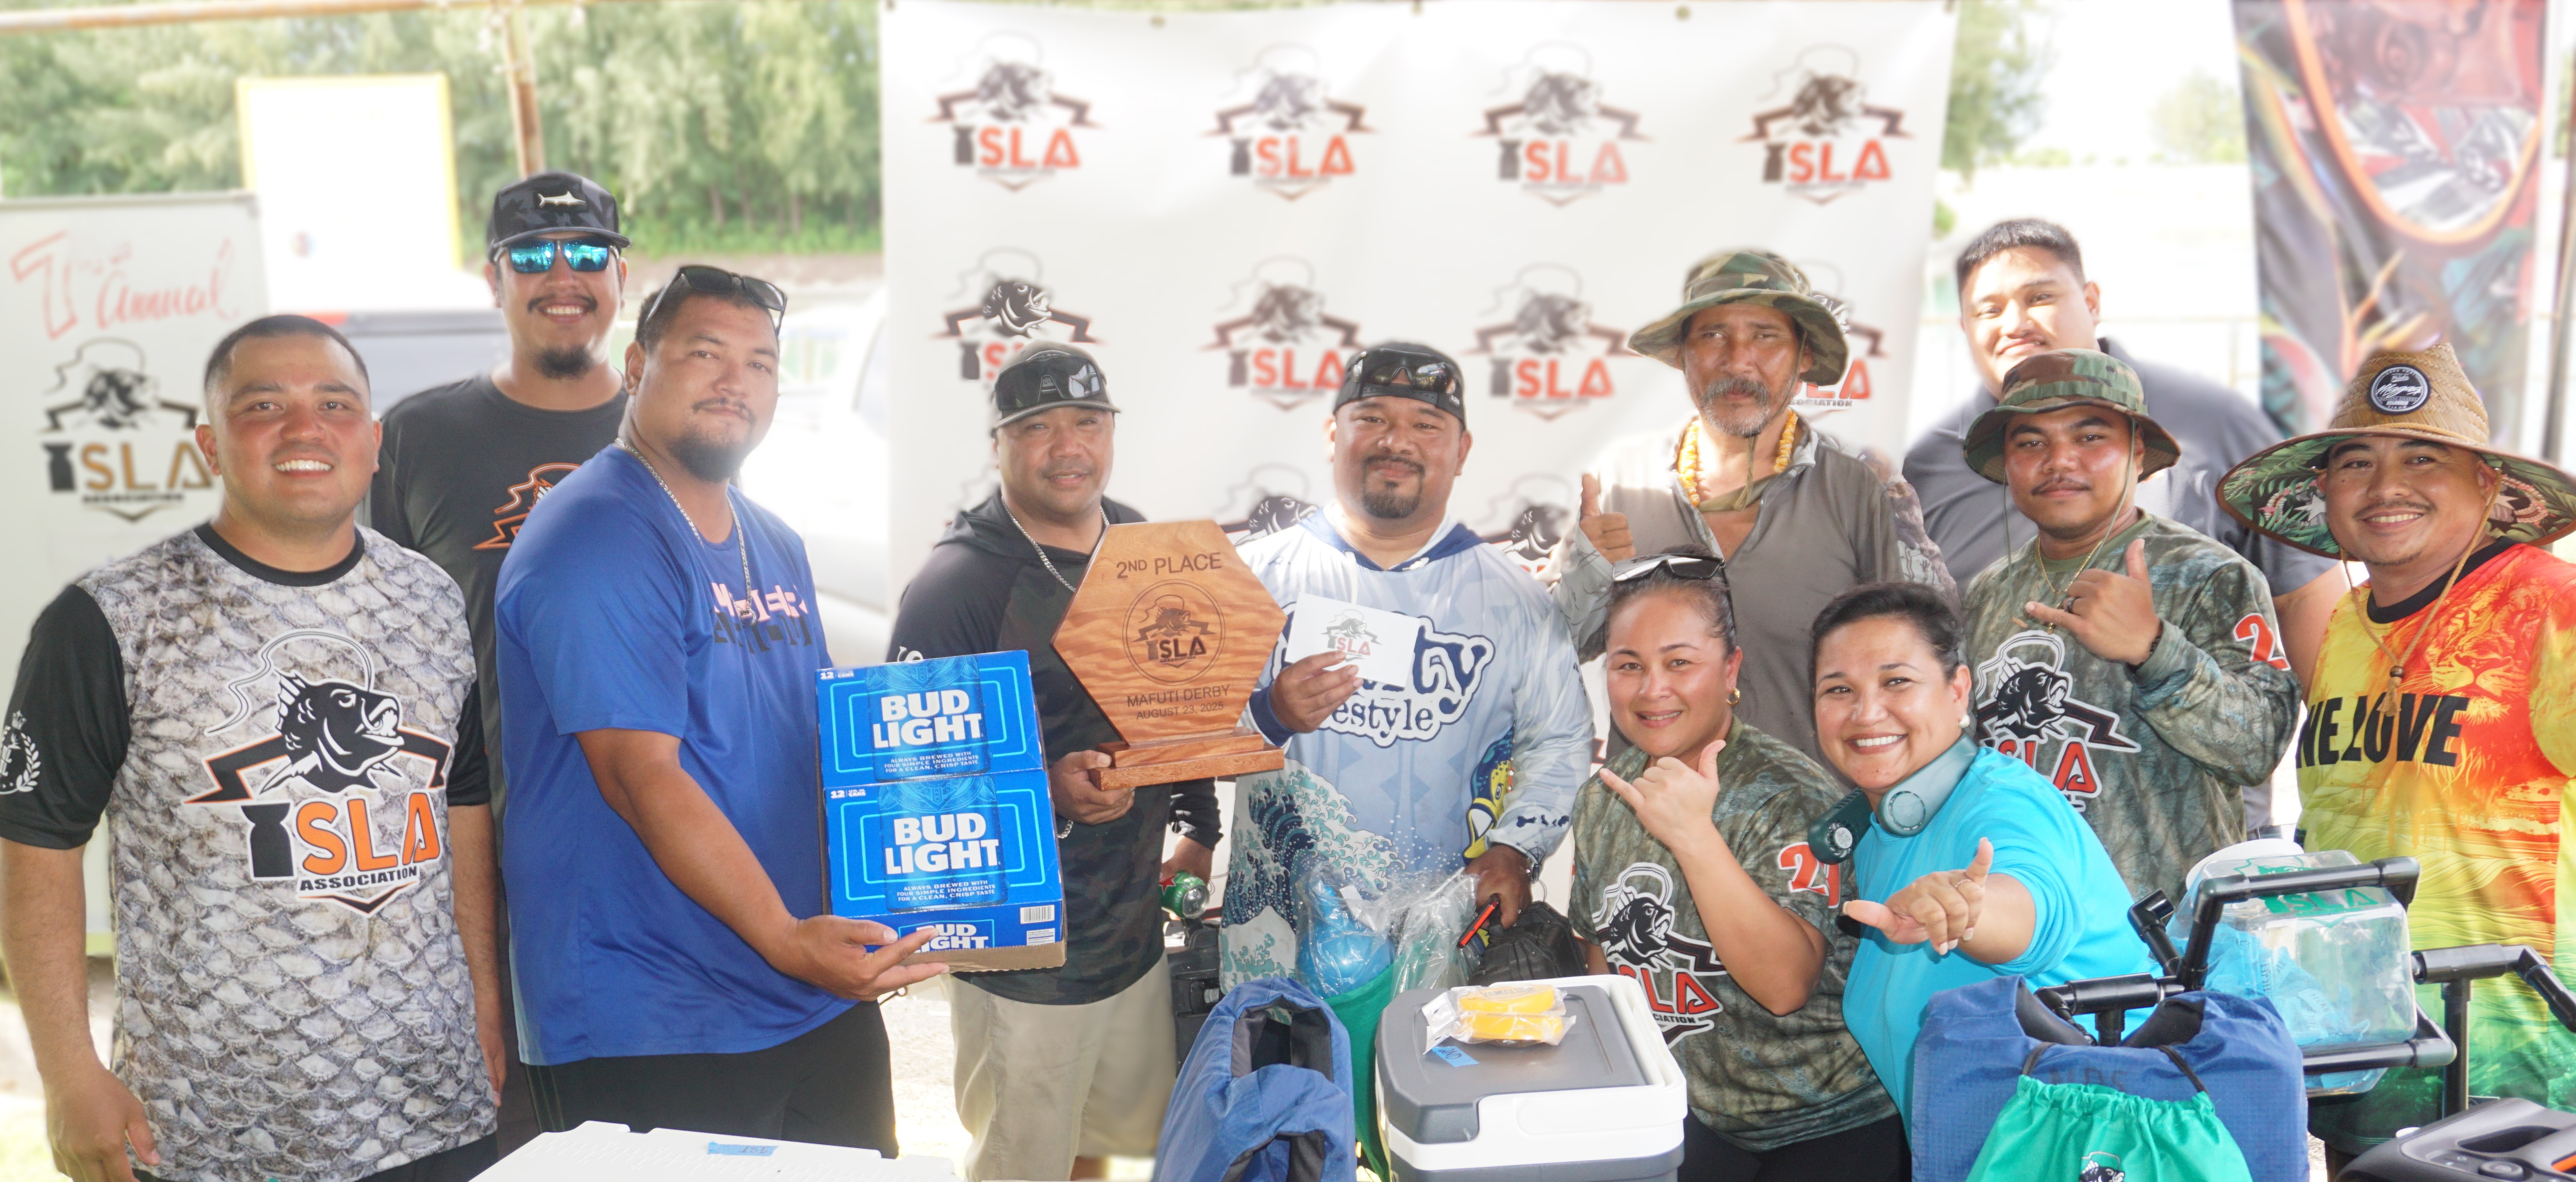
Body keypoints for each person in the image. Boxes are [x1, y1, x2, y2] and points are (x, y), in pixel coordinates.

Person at [0, 315, 501, 1182]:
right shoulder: (110, 617)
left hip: (434, 1114)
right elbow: (35, 842)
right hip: (208, 1135)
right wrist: (67, 1070)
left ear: (373, 442)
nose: (306, 428)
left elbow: (461, 806)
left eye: (335, 404)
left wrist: (486, 1007)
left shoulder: (429, 597)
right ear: (209, 442)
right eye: (264, 404)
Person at [494, 267, 942, 1148]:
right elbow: (637, 774)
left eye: (761, 363)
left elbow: (811, 749)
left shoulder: (771, 538)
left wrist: (1010, 804)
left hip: (805, 987)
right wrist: (782, 935)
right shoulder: (596, 533)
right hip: (658, 1011)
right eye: (705, 353)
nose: (736, 380)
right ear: (636, 365)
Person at [2216, 343, 2576, 1166]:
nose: (2386, 487)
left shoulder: (2551, 605)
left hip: (2516, 1078)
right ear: (2326, 492)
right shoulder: (2347, 622)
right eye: (2356, 461)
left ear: (2488, 483)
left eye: (2422, 456)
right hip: (2364, 1057)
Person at [886, 344, 1222, 1182]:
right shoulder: (957, 586)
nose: (1067, 445)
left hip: (1134, 933)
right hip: (1024, 962)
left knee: (1103, 1153)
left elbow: (1176, 697)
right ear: (999, 444)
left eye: (1086, 421)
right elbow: (907, 791)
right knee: (1024, 1166)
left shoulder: (1140, 543)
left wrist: (1199, 826)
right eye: (1037, 427)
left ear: (1111, 432)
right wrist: (1051, 792)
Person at [370, 169, 631, 1148]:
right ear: (492, 278)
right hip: (480, 847)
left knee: (647, 1129)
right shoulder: (418, 437)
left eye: (587, 254)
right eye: (530, 255)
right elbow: (377, 652)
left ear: (619, 275)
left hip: (654, 836)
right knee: (495, 1126)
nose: (560, 276)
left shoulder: (678, 425)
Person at [1225, 342, 1592, 978]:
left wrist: (1514, 847)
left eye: (1426, 425)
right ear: (1330, 432)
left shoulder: (1515, 602)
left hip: (1449, 939)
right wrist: (1268, 714)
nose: (1397, 441)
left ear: (1462, 449)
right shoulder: (1248, 580)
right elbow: (1175, 732)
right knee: (1285, 1078)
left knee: (1436, 1076)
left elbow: (1558, 743)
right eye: (1371, 418)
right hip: (1281, 941)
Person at [1569, 548, 1902, 1182]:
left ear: (1730, 670)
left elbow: (1784, 986)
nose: (1652, 689)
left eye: (1679, 663)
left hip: (1824, 1124)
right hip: (1687, 1116)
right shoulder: (1603, 795)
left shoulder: (1789, 795)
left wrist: (1695, 837)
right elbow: (1602, 964)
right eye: (1627, 665)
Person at [1556, 250, 1952, 771]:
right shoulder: (1620, 480)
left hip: (1810, 829)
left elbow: (1931, 658)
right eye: (1713, 335)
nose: (1738, 361)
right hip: (1650, 826)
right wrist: (1588, 574)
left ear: (1805, 356)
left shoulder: (1860, 487)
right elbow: (1555, 652)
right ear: (1682, 355)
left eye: (1765, 336)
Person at [1911, 218, 2340, 683]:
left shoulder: (2221, 424)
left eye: (2040, 298)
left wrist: (2347, 740)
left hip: (2193, 742)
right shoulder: (1926, 468)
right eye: (1988, 311)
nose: (2015, 325)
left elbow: (2306, 595)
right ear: (1964, 327)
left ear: (2091, 302)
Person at [1957, 348, 2300, 908]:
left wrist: (2155, 650)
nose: (2058, 460)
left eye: (2089, 437)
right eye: (2029, 441)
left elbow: (2257, 747)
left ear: (2137, 452)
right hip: (2021, 922)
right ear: (2006, 461)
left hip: (2163, 944)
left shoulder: (2209, 575)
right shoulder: (1987, 592)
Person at [1809, 582, 2154, 1123]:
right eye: (1838, 690)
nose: (1867, 712)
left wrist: (1967, 911)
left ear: (1957, 691)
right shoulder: (1885, 824)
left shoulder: (2002, 803)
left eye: (1896, 681)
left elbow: (2035, 910)